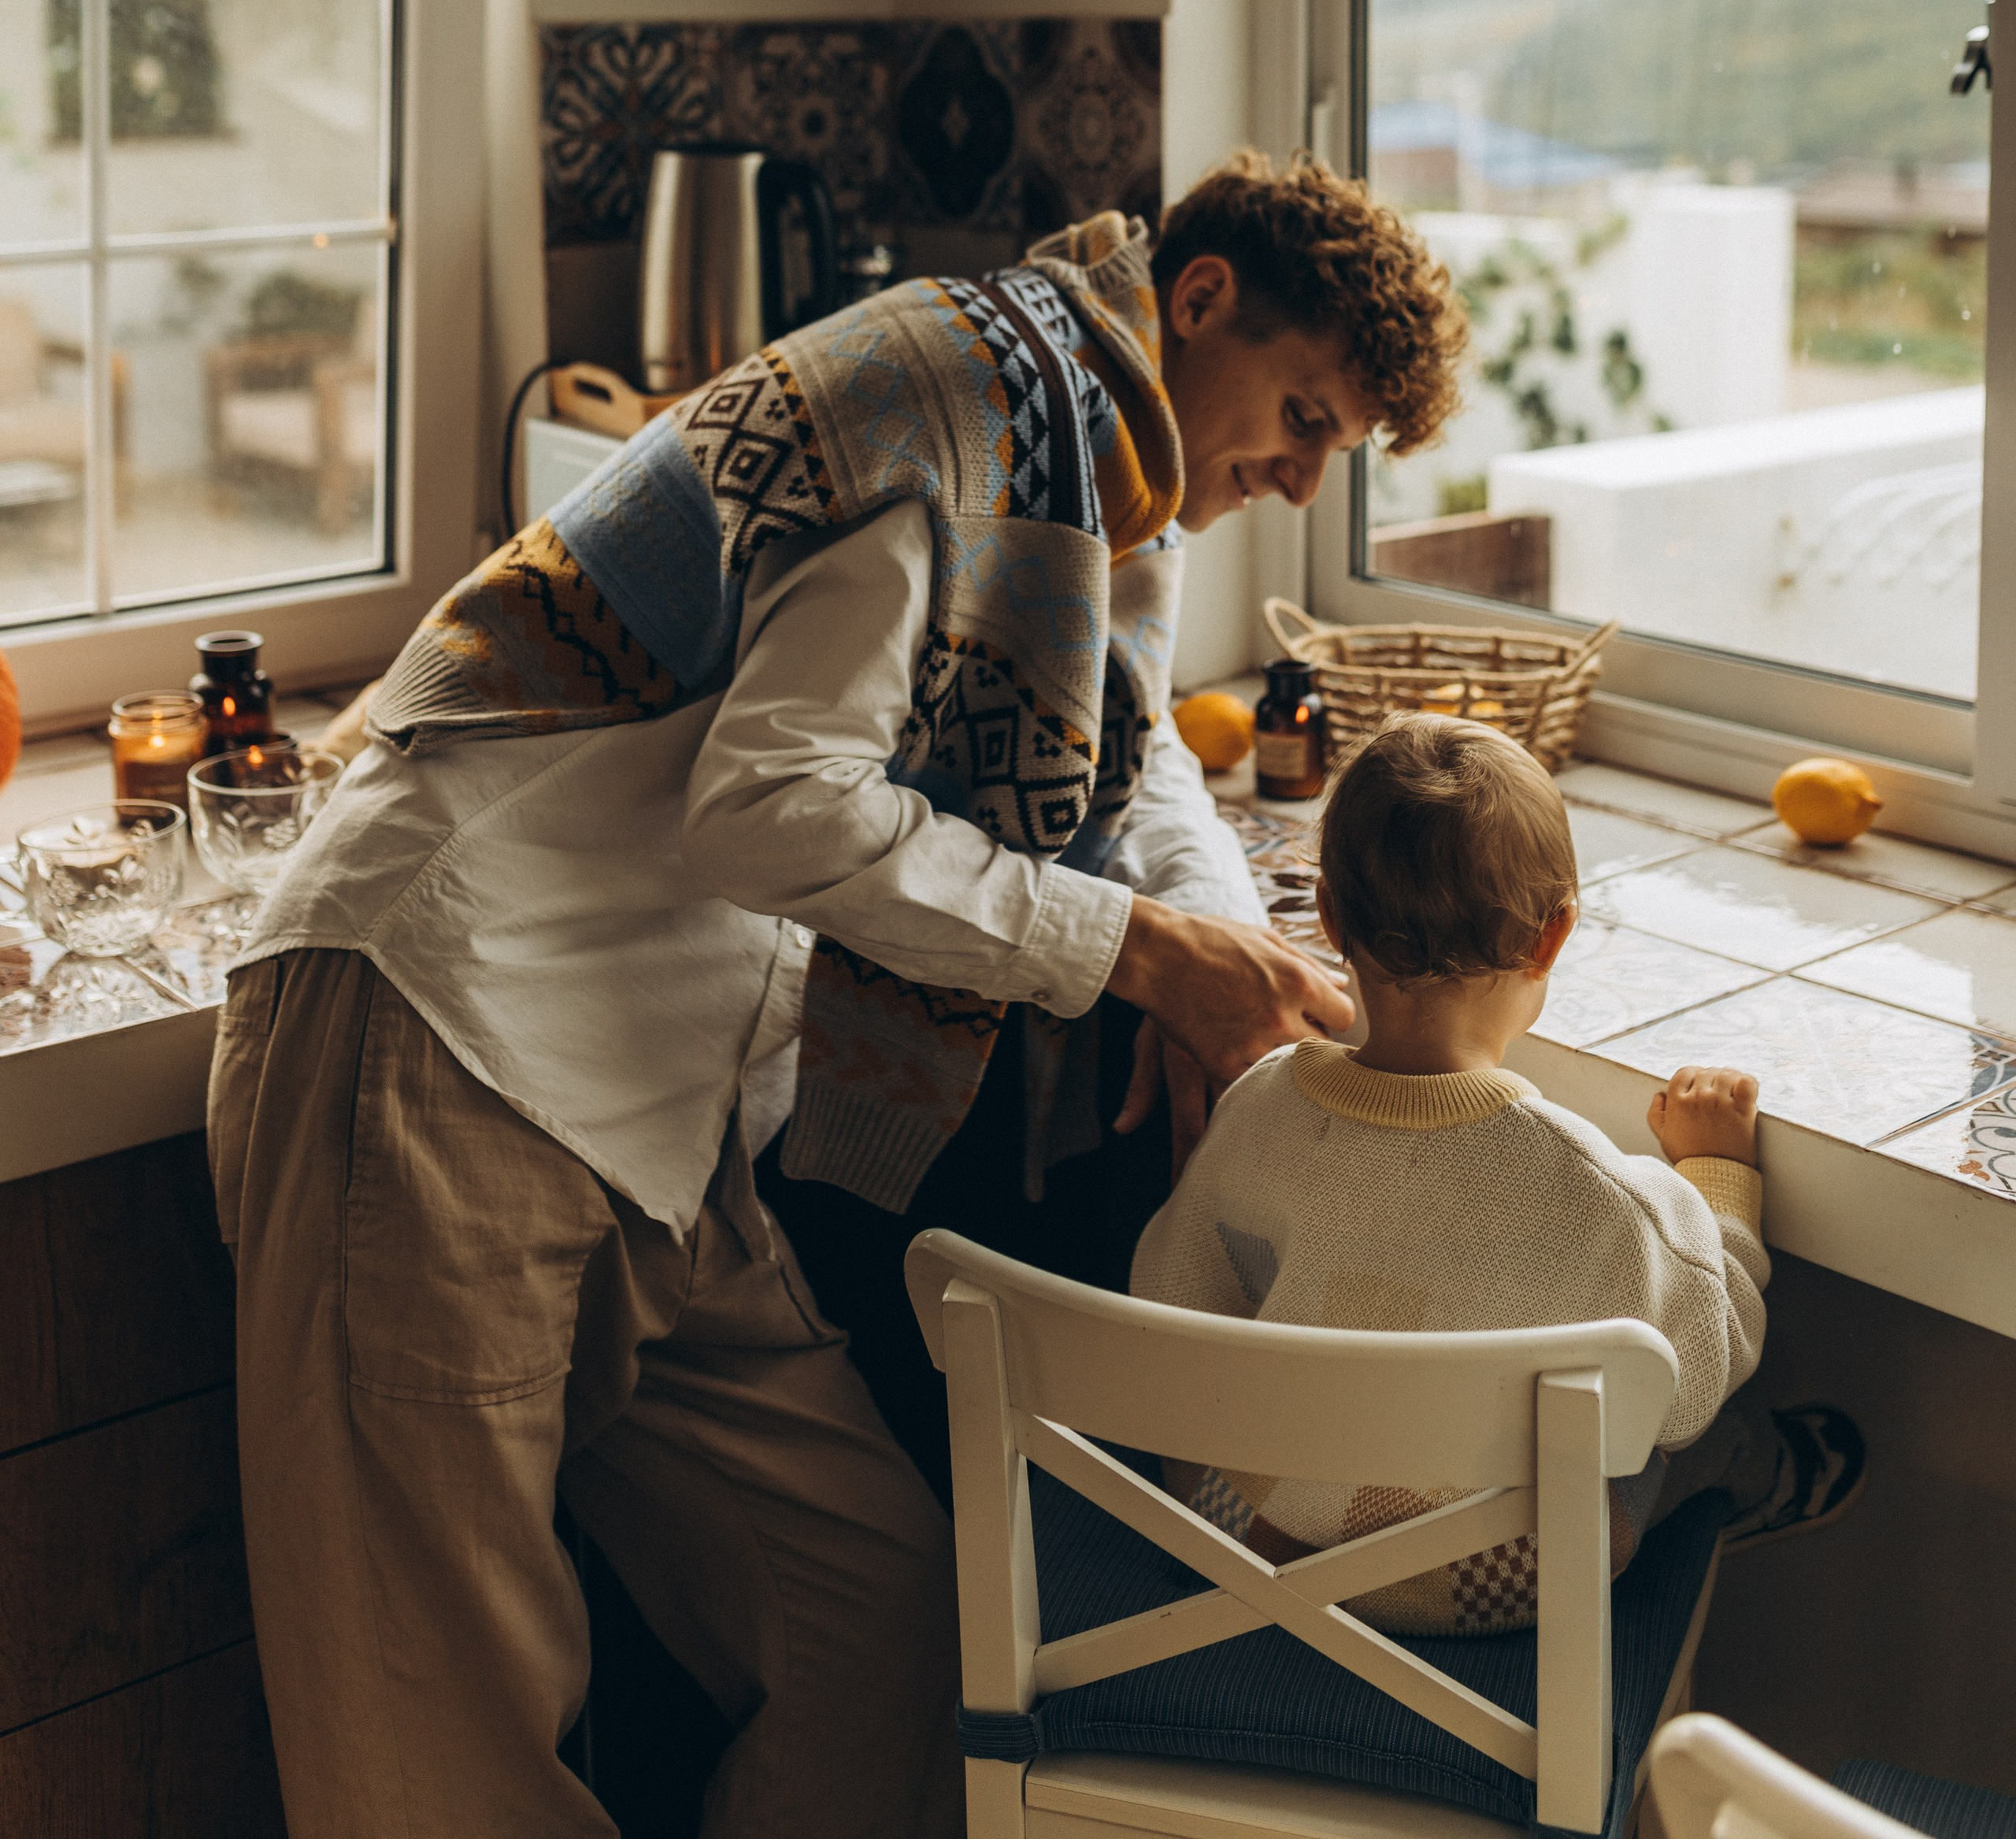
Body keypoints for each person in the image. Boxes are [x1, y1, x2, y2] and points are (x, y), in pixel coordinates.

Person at [208, 152, 1468, 1839]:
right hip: (440, 1033)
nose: (1302, 473)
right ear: (1202, 298)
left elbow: (1134, 744)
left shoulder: (1085, 480)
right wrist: (1140, 955)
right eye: (1305, 415)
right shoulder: (959, 408)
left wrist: (1213, 954)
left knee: (871, 1624)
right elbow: (773, 806)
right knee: (435, 1751)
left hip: (649, 1110)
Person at [1132, 714, 1860, 1628]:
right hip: (1494, 1582)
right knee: (1699, 1438)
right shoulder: (1594, 1190)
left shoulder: (1258, 1105)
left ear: (1326, 918)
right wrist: (1717, 1178)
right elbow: (1701, 1371)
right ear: (1551, 939)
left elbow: (1171, 1297)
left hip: (1254, 1537)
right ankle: (1767, 1475)